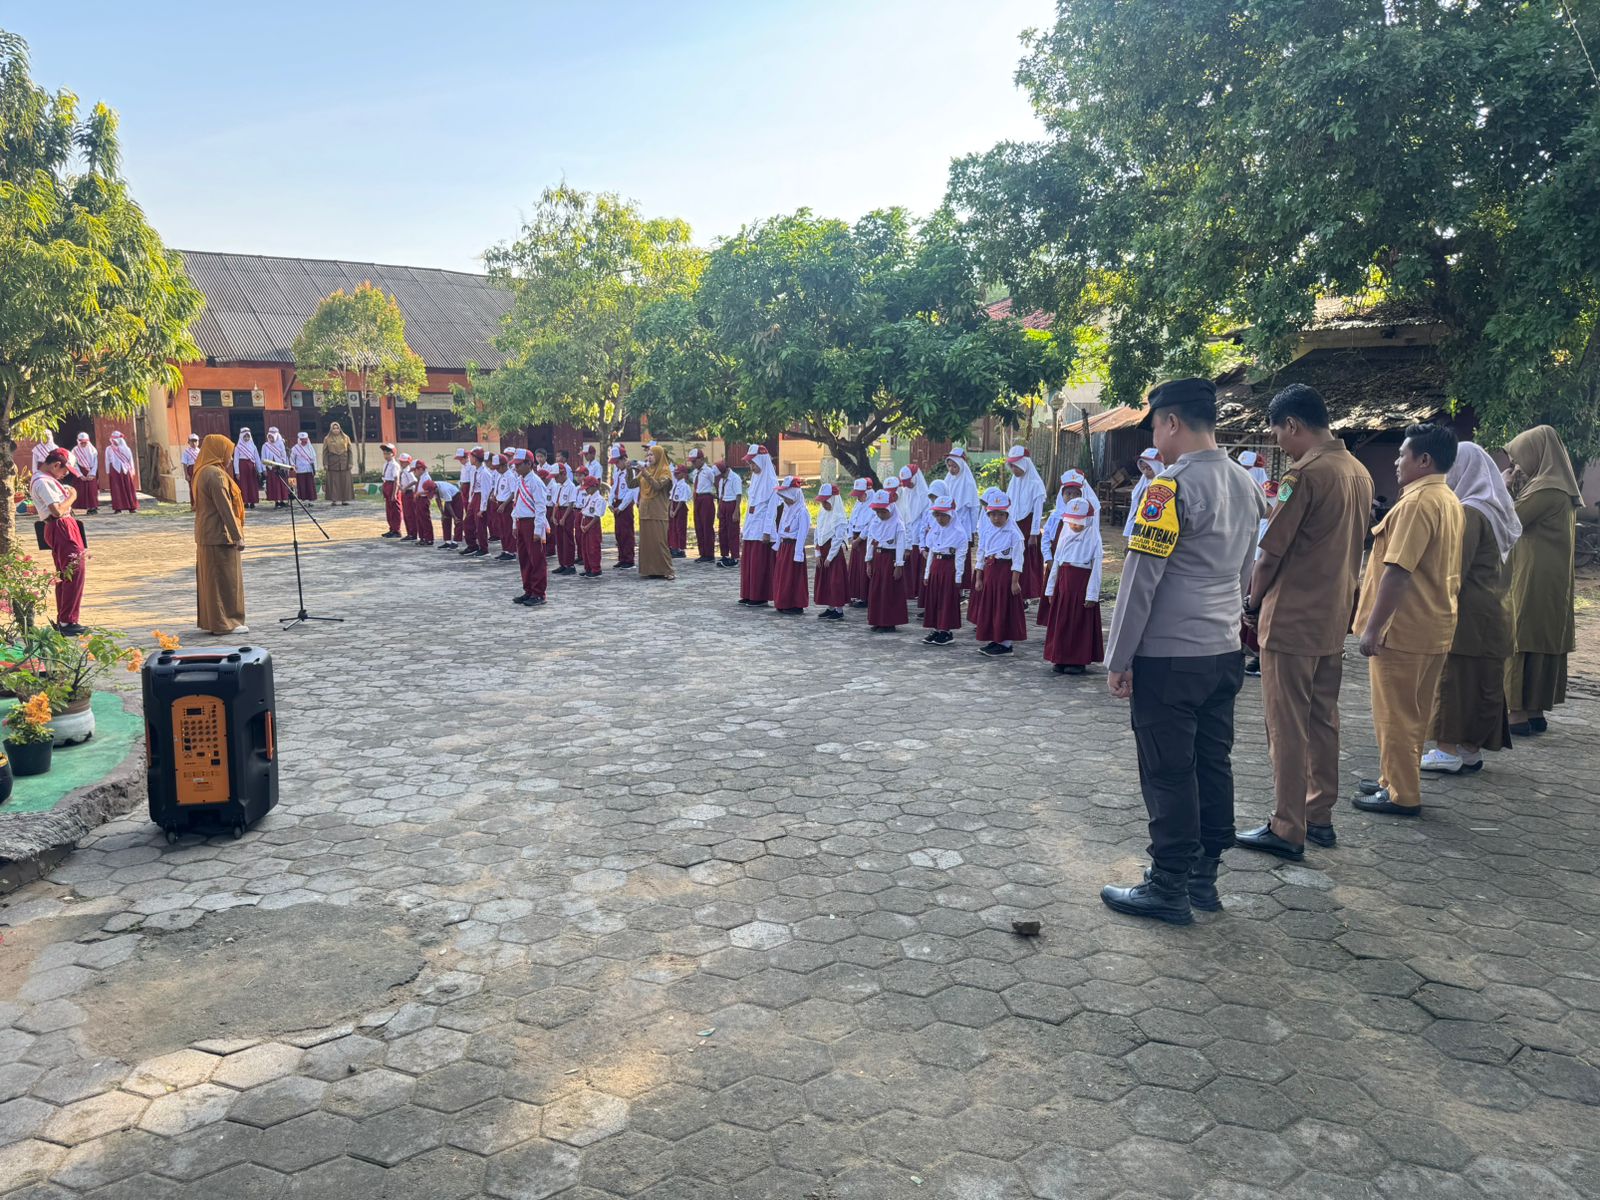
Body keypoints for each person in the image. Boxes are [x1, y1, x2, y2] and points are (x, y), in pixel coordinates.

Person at [1100, 378, 1267, 925]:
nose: (1155, 436)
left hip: (1170, 657)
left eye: (1154, 424)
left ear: (1171, 421)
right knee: (1212, 763)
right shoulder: (1246, 483)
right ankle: (1204, 877)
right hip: (1222, 652)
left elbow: (1141, 580)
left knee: (1169, 771)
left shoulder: (1167, 489)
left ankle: (1168, 884)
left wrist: (1119, 658)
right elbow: (1247, 568)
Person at [1232, 384, 1373, 861]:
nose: (1279, 444)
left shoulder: (1303, 476)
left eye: (1278, 434)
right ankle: (1319, 814)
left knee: (1286, 724)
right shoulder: (1358, 471)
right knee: (1322, 719)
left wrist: (1251, 602)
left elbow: (1270, 552)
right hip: (1333, 617)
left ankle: (1287, 824)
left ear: (1293, 425)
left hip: (1291, 618)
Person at [1351, 423, 1464, 818]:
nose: (1397, 462)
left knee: (1395, 713)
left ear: (1424, 459)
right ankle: (1393, 778)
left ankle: (1401, 792)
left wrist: (1373, 627)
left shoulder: (1418, 503)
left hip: (1403, 628)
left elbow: (1398, 571)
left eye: (1402, 454)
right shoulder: (1447, 498)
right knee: (1412, 712)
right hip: (1433, 624)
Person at [1420, 442, 1520, 775]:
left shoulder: (1468, 512)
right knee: (1481, 684)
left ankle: (1446, 750)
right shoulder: (1496, 508)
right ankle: (1469, 751)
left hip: (1468, 614)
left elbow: (1453, 570)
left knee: (1455, 682)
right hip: (1494, 610)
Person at [1502, 425, 1581, 735]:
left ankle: (1517, 713)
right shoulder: (1559, 487)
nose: (1516, 468)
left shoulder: (1545, 489)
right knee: (1537, 637)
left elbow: (1509, 520)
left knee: (1520, 635)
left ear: (1537, 455)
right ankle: (1533, 710)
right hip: (1549, 577)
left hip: (1534, 576)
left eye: (1518, 461)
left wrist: (1502, 486)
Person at [191, 434, 248, 636]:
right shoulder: (215, 475)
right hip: (219, 534)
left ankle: (216, 621)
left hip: (207, 533)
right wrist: (237, 535)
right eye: (228, 453)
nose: (231, 458)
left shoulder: (201, 472)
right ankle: (225, 622)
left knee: (212, 581)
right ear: (218, 451)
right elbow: (225, 508)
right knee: (225, 580)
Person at [1043, 497, 1104, 675]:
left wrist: (1092, 595)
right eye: (1072, 522)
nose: (1075, 526)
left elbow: (1097, 568)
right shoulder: (1064, 535)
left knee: (1078, 624)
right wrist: (1050, 588)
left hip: (1081, 587)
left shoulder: (1093, 538)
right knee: (1061, 623)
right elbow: (1056, 563)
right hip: (1064, 586)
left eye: (1079, 523)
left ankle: (1077, 660)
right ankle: (1060, 657)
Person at [32, 449, 88, 635]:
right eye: (65, 470)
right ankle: (67, 621)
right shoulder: (43, 482)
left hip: (61, 526)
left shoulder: (45, 480)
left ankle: (66, 618)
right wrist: (72, 497)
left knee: (67, 573)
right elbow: (56, 510)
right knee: (74, 571)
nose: (66, 474)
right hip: (61, 525)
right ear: (56, 465)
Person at [971, 490, 1027, 657]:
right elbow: (981, 554)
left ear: (1006, 514)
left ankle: (1005, 643)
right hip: (990, 572)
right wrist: (979, 577)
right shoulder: (987, 532)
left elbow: (1018, 560)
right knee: (991, 606)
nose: (996, 518)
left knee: (1004, 606)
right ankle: (994, 639)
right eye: (992, 514)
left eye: (1000, 514)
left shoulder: (1014, 534)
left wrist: (1014, 581)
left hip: (1005, 574)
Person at [1003, 446, 1048, 602]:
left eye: (1016, 465)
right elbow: (1008, 504)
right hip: (1013, 525)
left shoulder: (1035, 484)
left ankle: (1026, 595)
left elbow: (1037, 512)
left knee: (1027, 561)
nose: (1014, 469)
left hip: (1027, 526)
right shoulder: (1013, 482)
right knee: (1013, 558)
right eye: (1012, 466)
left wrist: (1033, 534)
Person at [920, 496, 966, 645]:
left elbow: (960, 556)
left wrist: (958, 577)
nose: (940, 518)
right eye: (937, 515)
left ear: (951, 515)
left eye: (943, 515)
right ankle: (936, 628)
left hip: (948, 567)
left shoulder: (959, 533)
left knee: (946, 600)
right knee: (934, 598)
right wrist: (927, 573)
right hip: (936, 567)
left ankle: (945, 631)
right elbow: (931, 552)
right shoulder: (934, 530)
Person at [863, 487, 909, 631]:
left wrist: (899, 565)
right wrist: (868, 561)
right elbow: (871, 542)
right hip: (878, 559)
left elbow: (901, 545)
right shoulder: (875, 523)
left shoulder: (897, 524)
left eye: (883, 511)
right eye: (878, 512)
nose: (880, 515)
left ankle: (889, 622)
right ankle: (877, 619)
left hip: (890, 559)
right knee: (877, 590)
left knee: (889, 591)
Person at [738, 444, 778, 605]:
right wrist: (744, 526)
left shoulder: (771, 481)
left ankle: (759, 595)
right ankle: (748, 592)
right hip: (751, 523)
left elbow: (771, 509)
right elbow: (750, 504)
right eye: (750, 463)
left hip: (762, 524)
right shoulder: (755, 478)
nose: (751, 466)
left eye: (753, 463)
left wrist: (767, 531)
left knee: (759, 563)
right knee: (749, 562)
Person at [509, 450, 549, 607]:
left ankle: (539, 593)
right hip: (521, 522)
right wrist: (514, 523)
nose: (516, 468)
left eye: (519, 465)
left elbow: (541, 507)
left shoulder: (536, 482)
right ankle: (529, 590)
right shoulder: (520, 480)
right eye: (515, 465)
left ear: (529, 464)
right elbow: (516, 502)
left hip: (532, 522)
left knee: (536, 559)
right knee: (524, 559)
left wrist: (538, 530)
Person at [770, 475, 811, 614]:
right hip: (785, 547)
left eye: (787, 496)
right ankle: (783, 602)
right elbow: (781, 527)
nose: (785, 500)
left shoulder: (802, 512)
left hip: (794, 548)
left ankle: (795, 603)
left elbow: (802, 534)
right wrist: (778, 544)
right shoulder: (787, 509)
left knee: (793, 577)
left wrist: (798, 553)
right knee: (783, 576)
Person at [635, 444, 677, 580]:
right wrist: (629, 469)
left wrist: (645, 473)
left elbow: (658, 486)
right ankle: (651, 570)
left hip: (658, 511)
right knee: (647, 543)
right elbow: (631, 484)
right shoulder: (647, 470)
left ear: (659, 456)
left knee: (660, 542)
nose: (649, 457)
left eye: (652, 455)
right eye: (648, 455)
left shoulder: (665, 472)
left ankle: (668, 570)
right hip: (645, 511)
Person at [812, 483, 851, 621]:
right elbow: (818, 532)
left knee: (836, 581)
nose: (824, 504)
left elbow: (838, 538)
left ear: (833, 499)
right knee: (826, 581)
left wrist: (830, 557)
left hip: (833, 553)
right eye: (822, 501)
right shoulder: (823, 514)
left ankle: (839, 609)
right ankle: (830, 607)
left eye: (826, 501)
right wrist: (817, 553)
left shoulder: (839, 517)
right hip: (822, 550)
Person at [845, 477, 873, 607]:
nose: (857, 498)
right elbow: (851, 519)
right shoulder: (858, 504)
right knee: (855, 568)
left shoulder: (873, 503)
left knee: (864, 567)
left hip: (865, 540)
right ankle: (855, 593)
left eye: (860, 495)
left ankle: (865, 597)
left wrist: (860, 539)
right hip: (855, 539)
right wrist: (850, 536)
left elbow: (870, 525)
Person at [1123, 448, 1162, 540]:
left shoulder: (1162, 484)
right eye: (1143, 468)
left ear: (1157, 466)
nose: (1145, 472)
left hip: (1152, 524)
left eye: (1149, 468)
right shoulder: (1142, 482)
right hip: (1137, 521)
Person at [610, 446, 638, 569]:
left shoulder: (630, 471)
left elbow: (631, 492)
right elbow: (613, 487)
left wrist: (620, 507)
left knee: (627, 532)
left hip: (625, 505)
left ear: (624, 459)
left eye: (617, 462)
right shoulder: (617, 472)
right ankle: (621, 557)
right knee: (619, 533)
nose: (616, 464)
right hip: (617, 503)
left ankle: (629, 559)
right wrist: (610, 502)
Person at [689, 448, 718, 563]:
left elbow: (716, 483)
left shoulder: (708, 471)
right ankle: (703, 553)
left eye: (694, 461)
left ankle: (709, 554)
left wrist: (717, 495)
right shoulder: (695, 472)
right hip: (697, 498)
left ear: (701, 459)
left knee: (707, 526)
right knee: (698, 525)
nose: (693, 463)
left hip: (706, 497)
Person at [577, 474, 606, 578]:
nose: (586, 490)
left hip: (592, 525)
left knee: (593, 547)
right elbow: (583, 511)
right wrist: (582, 525)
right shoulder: (588, 498)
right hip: (585, 522)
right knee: (585, 547)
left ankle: (596, 569)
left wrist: (588, 526)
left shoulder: (599, 499)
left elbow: (597, 516)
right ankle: (588, 568)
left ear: (594, 486)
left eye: (588, 488)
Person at [715, 458, 742, 567]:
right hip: (723, 504)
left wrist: (736, 511)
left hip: (732, 504)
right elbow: (720, 495)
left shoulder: (735, 478)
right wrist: (719, 508)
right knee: (722, 531)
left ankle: (735, 556)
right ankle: (724, 555)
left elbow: (738, 495)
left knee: (733, 531)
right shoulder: (722, 480)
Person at [106, 431, 139, 512]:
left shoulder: (126, 449)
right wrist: (108, 471)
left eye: (115, 440)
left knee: (128, 487)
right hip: (114, 470)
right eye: (112, 440)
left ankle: (131, 507)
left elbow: (130, 460)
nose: (113, 442)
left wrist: (132, 470)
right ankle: (118, 508)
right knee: (116, 489)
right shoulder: (109, 449)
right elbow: (107, 460)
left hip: (125, 470)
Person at [494, 453, 519, 561]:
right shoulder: (500, 475)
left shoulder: (510, 476)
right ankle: (505, 549)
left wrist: (504, 504)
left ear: (504, 465)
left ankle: (511, 551)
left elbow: (514, 493)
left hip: (507, 504)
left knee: (508, 528)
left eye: (498, 467)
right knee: (502, 528)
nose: (497, 470)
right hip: (500, 503)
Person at [323, 421, 355, 505]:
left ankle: (344, 499)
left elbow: (350, 451)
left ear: (340, 428)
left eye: (337, 428)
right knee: (334, 482)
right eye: (334, 428)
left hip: (344, 462)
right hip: (332, 463)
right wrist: (325, 463)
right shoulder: (327, 439)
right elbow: (325, 452)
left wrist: (350, 462)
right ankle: (334, 500)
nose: (336, 430)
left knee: (345, 481)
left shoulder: (345, 437)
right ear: (331, 429)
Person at [231, 428, 262, 509]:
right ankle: (245, 502)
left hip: (251, 467)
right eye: (244, 437)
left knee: (252, 484)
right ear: (241, 437)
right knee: (243, 484)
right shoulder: (238, 447)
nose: (246, 438)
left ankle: (252, 501)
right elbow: (236, 460)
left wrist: (260, 470)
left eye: (248, 436)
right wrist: (237, 472)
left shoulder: (253, 446)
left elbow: (257, 458)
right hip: (242, 466)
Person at [431, 474, 462, 551]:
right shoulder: (433, 486)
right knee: (445, 519)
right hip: (448, 500)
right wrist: (442, 513)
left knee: (458, 519)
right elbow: (438, 500)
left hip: (456, 497)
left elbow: (448, 504)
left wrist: (454, 517)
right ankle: (447, 541)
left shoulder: (443, 489)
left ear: (435, 489)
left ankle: (456, 542)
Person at [262, 428, 292, 508]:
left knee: (281, 484)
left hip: (280, 467)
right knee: (274, 485)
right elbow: (263, 458)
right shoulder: (265, 446)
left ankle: (282, 501)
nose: (271, 439)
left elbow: (284, 456)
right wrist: (264, 469)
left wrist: (286, 467)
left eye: (272, 437)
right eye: (269, 437)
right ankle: (276, 501)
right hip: (271, 468)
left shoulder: (281, 444)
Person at [71, 433, 99, 513]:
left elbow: (95, 462)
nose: (83, 444)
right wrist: (80, 475)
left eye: (85, 442)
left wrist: (92, 473)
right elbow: (73, 463)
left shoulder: (93, 450)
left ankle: (92, 507)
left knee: (92, 490)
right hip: (80, 471)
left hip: (90, 472)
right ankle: (79, 508)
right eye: (81, 442)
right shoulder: (75, 450)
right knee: (80, 490)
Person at [409, 459, 436, 546]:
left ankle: (429, 538)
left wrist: (420, 493)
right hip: (419, 499)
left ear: (421, 469)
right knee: (419, 519)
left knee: (425, 519)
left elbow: (430, 490)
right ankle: (422, 537)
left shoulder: (426, 477)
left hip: (424, 499)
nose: (414, 473)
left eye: (415, 470)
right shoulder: (421, 478)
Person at [668, 464, 692, 558]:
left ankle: (681, 549)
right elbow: (671, 498)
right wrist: (671, 509)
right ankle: (674, 546)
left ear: (683, 474)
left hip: (680, 508)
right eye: (675, 473)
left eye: (678, 473)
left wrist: (675, 511)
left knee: (680, 528)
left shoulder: (684, 486)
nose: (675, 475)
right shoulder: (675, 485)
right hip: (673, 506)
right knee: (673, 528)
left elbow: (682, 500)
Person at [290, 432, 317, 502]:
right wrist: (293, 465)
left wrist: (315, 469)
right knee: (302, 485)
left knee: (310, 485)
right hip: (300, 469)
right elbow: (292, 458)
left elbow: (314, 459)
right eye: (302, 440)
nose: (304, 442)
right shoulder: (295, 448)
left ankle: (311, 500)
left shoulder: (310, 447)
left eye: (305, 440)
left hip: (309, 469)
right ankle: (303, 499)